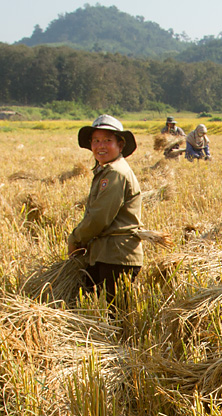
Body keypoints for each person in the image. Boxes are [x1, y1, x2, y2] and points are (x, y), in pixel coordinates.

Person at [67, 114, 143, 307]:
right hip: (106, 254)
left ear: (120, 145)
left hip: (116, 257)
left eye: (107, 140)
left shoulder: (116, 174)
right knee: (99, 312)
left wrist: (76, 238)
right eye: (96, 141)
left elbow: (100, 218)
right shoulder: (107, 171)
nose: (100, 145)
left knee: (113, 316)